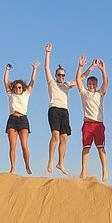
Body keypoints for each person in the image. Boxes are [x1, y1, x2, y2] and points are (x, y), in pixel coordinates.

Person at [75, 55, 109, 182]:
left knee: (101, 148)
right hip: (87, 124)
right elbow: (78, 80)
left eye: (93, 84)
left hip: (98, 124)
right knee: (86, 148)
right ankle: (83, 171)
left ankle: (105, 170)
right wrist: (82, 67)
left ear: (96, 84)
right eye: (89, 83)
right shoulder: (84, 93)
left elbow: (106, 82)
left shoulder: (100, 93)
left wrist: (102, 70)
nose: (91, 85)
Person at [44, 43, 76, 174]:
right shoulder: (52, 82)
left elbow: (81, 79)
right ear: (56, 75)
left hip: (65, 111)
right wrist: (48, 53)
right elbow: (46, 68)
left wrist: (89, 67)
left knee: (64, 138)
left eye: (63, 75)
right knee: (55, 135)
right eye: (59, 75)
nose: (61, 77)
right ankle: (51, 161)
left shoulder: (67, 85)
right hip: (54, 110)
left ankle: (60, 162)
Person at [4, 61, 38, 174]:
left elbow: (32, 82)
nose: (18, 89)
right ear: (13, 88)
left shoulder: (26, 93)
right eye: (16, 87)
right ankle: (13, 168)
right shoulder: (10, 94)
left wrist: (34, 69)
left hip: (23, 119)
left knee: (24, 145)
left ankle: (27, 166)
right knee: (12, 146)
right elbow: (5, 81)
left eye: (20, 87)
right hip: (12, 120)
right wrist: (7, 70)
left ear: (22, 88)